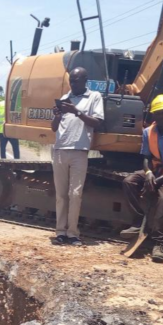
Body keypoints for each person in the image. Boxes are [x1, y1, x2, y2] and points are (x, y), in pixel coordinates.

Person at [121, 94, 163, 263]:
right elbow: (145, 157)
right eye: (158, 113)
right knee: (129, 181)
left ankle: (159, 243)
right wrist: (148, 174)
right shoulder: (148, 131)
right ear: (153, 115)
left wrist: (158, 181)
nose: (161, 116)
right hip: (154, 171)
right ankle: (138, 222)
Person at [50, 67, 104, 245]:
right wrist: (57, 115)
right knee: (61, 194)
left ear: (85, 80)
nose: (73, 83)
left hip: (79, 151)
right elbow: (54, 128)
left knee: (75, 194)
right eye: (71, 80)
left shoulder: (94, 97)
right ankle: (60, 232)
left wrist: (77, 112)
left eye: (77, 80)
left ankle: (73, 233)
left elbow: (97, 122)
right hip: (60, 150)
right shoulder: (65, 99)